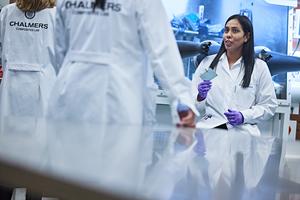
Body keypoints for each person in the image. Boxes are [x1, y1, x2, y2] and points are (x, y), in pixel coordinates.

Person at [47, 0, 198, 126]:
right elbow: (162, 51)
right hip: (118, 95)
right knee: (117, 157)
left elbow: (59, 51)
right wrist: (181, 99)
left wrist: (70, 73)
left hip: (70, 91)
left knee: (67, 156)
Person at [192, 14, 277, 135]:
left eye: (235, 31)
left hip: (243, 132)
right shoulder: (211, 65)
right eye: (226, 30)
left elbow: (269, 105)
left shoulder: (259, 68)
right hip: (210, 130)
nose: (228, 35)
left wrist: (243, 116)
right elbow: (194, 103)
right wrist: (200, 96)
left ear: (246, 37)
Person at [0, 0, 56, 119]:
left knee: (9, 132)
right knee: (40, 132)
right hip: (43, 83)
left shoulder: (8, 12)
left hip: (11, 83)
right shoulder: (54, 14)